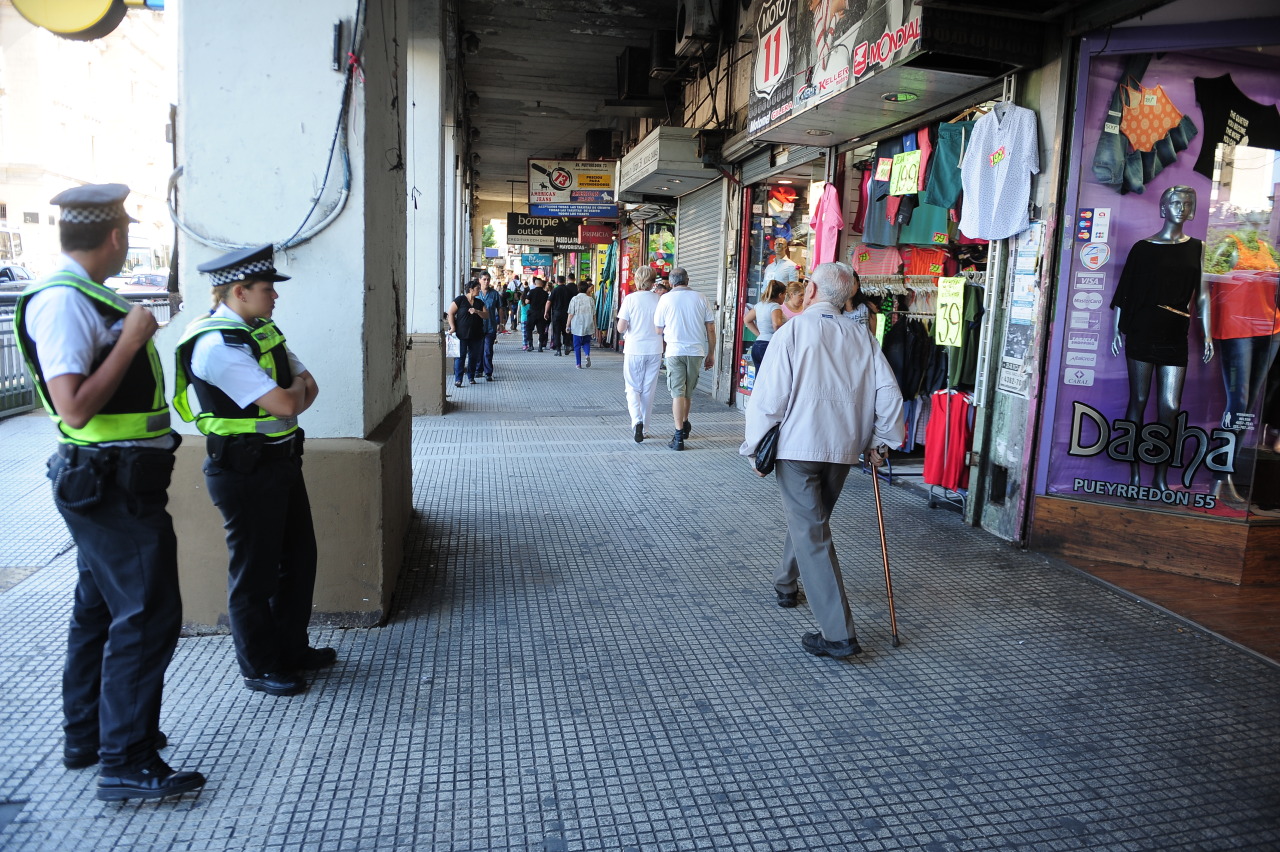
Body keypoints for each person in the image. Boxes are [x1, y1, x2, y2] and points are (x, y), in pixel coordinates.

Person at [14, 183, 205, 801]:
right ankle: (126, 759)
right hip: (109, 483)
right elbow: (72, 407)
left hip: (112, 481)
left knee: (99, 608)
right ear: (118, 237)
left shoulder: (81, 295)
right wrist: (130, 340)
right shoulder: (65, 302)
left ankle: (91, 735)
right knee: (147, 613)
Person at [173, 243, 333, 700]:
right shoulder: (215, 346)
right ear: (240, 291)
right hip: (244, 470)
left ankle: (291, 649)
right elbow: (288, 399)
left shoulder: (262, 331)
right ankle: (260, 666)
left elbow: (311, 386)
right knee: (255, 573)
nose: (276, 298)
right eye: (268, 290)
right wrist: (293, 390)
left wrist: (293, 390)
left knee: (298, 561)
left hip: (281, 461)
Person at [741, 262, 905, 659]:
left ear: (811, 289)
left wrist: (754, 448)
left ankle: (839, 635)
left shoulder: (793, 331)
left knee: (812, 532)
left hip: (798, 448)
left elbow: (769, 398)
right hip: (843, 449)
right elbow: (889, 394)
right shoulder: (862, 336)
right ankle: (785, 582)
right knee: (811, 522)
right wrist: (882, 442)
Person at [1110, 185, 1211, 492]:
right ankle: (1134, 474)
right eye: (1175, 201)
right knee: (1138, 400)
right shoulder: (1143, 247)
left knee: (1170, 405)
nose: (1181, 207)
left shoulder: (1198, 247)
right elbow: (1125, 291)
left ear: (1191, 208)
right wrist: (1117, 327)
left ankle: (1160, 475)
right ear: (1164, 208)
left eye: (1186, 202)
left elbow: (1203, 296)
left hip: (1175, 334)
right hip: (1142, 330)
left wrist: (1208, 334)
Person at [653, 267, 715, 450]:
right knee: (688, 392)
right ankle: (685, 422)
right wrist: (711, 353)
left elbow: (658, 329)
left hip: (674, 351)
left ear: (671, 283)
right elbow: (710, 328)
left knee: (677, 392)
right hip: (696, 352)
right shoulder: (701, 297)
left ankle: (679, 434)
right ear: (687, 280)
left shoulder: (665, 299)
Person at [616, 267, 663, 442]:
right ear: (653, 281)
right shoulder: (659, 299)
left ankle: (637, 421)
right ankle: (645, 429)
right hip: (655, 349)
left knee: (632, 387)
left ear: (636, 280)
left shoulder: (630, 299)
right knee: (648, 389)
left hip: (634, 348)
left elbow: (621, 328)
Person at [448, 279, 488, 386]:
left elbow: (486, 315)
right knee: (460, 356)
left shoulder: (479, 302)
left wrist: (477, 311)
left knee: (473, 356)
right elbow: (450, 313)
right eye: (477, 288)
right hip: (461, 334)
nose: (479, 290)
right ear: (470, 289)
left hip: (476, 334)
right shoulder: (460, 300)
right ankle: (458, 379)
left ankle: (471, 377)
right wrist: (452, 327)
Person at [744, 279, 787, 370]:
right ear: (780, 295)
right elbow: (776, 324)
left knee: (759, 380)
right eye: (784, 294)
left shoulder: (759, 305)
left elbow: (747, 320)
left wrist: (760, 335)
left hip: (757, 345)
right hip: (769, 345)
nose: (784, 297)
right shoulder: (775, 306)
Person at [477, 272, 503, 380]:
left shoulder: (494, 294)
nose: (486, 281)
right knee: (478, 350)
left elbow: (500, 308)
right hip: (477, 327)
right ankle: (478, 370)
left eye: (488, 279)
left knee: (488, 350)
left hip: (490, 326)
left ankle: (488, 372)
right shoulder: (476, 293)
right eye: (484, 279)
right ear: (479, 280)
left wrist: (501, 323)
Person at [568, 281, 596, 368]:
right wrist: (595, 325)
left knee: (577, 346)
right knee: (586, 342)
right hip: (588, 323)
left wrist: (567, 325)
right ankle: (587, 355)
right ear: (587, 289)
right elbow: (594, 314)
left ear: (578, 288)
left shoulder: (574, 299)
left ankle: (578, 364)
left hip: (577, 325)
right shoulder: (590, 299)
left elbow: (571, 313)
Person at [547, 275, 575, 355]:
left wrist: (546, 312)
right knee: (566, 330)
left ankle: (558, 350)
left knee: (557, 332)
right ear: (565, 281)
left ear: (557, 281)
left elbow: (549, 302)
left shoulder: (554, 290)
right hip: (566, 314)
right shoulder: (568, 290)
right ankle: (567, 346)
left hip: (556, 313)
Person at [525, 277, 549, 351]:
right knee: (541, 331)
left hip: (532, 313)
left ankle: (530, 345)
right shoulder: (545, 293)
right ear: (542, 284)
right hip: (541, 314)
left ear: (535, 284)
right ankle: (540, 346)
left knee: (529, 329)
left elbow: (527, 301)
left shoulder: (531, 292)